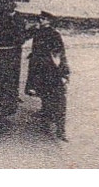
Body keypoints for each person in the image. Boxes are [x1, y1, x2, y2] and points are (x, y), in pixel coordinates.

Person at [25, 11, 70, 141]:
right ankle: (47, 120)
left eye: (43, 19)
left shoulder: (54, 35)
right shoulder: (38, 32)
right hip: (41, 70)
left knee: (59, 100)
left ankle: (60, 129)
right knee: (45, 95)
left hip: (52, 71)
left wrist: (63, 73)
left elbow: (59, 54)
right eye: (40, 18)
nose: (40, 20)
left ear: (49, 21)